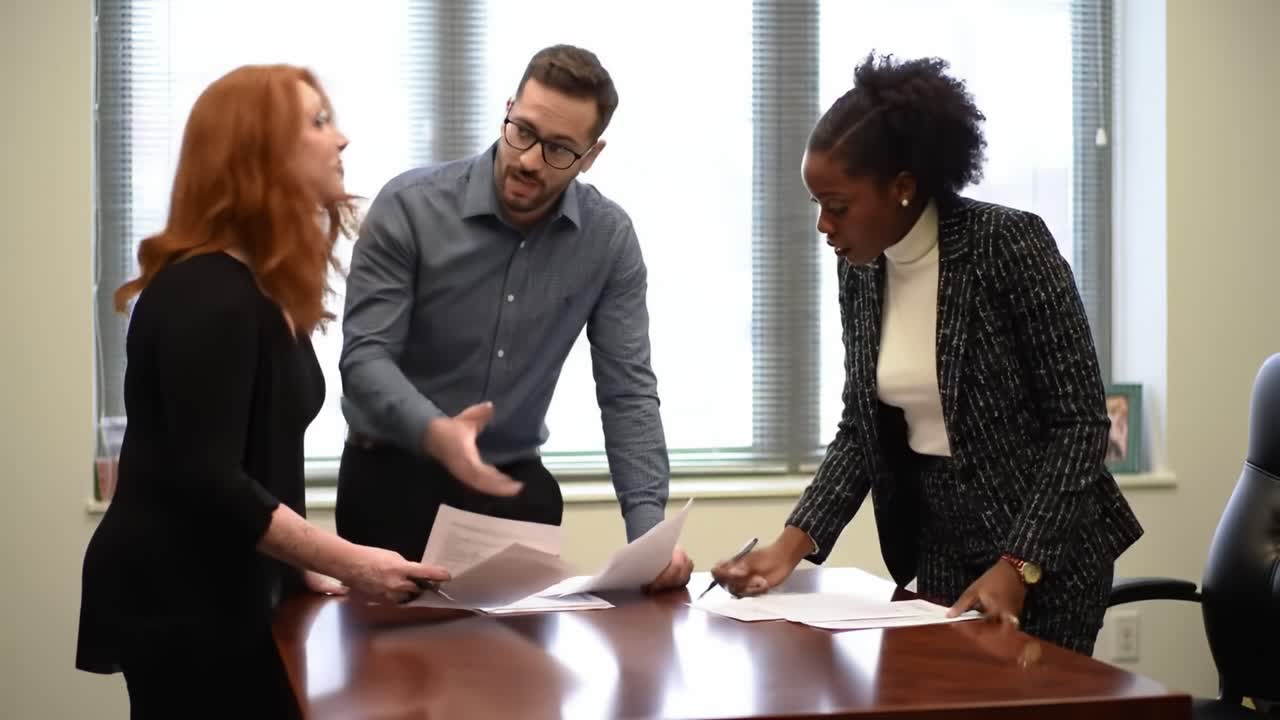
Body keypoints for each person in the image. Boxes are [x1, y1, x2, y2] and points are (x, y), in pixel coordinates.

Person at [712, 53, 1143, 655]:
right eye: (816, 205)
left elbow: (1081, 425)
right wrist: (790, 545)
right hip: (940, 547)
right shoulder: (861, 272)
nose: (823, 226)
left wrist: (1019, 565)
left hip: (1048, 554)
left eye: (836, 206)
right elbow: (863, 429)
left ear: (904, 188)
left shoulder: (1007, 245)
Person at [76, 64, 449, 718]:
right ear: (259, 154)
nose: (342, 140)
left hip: (233, 585)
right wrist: (352, 561)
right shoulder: (206, 294)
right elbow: (213, 480)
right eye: (318, 121)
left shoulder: (256, 288)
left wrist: (294, 563)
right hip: (179, 603)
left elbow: (255, 462)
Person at [335, 44, 692, 590]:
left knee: (519, 671)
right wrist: (438, 432)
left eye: (558, 149)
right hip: (392, 479)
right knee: (388, 671)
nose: (528, 159)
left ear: (591, 155)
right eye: (521, 131)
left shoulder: (608, 240)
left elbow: (628, 392)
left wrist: (649, 537)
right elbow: (364, 357)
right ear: (507, 110)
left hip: (510, 488)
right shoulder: (409, 207)